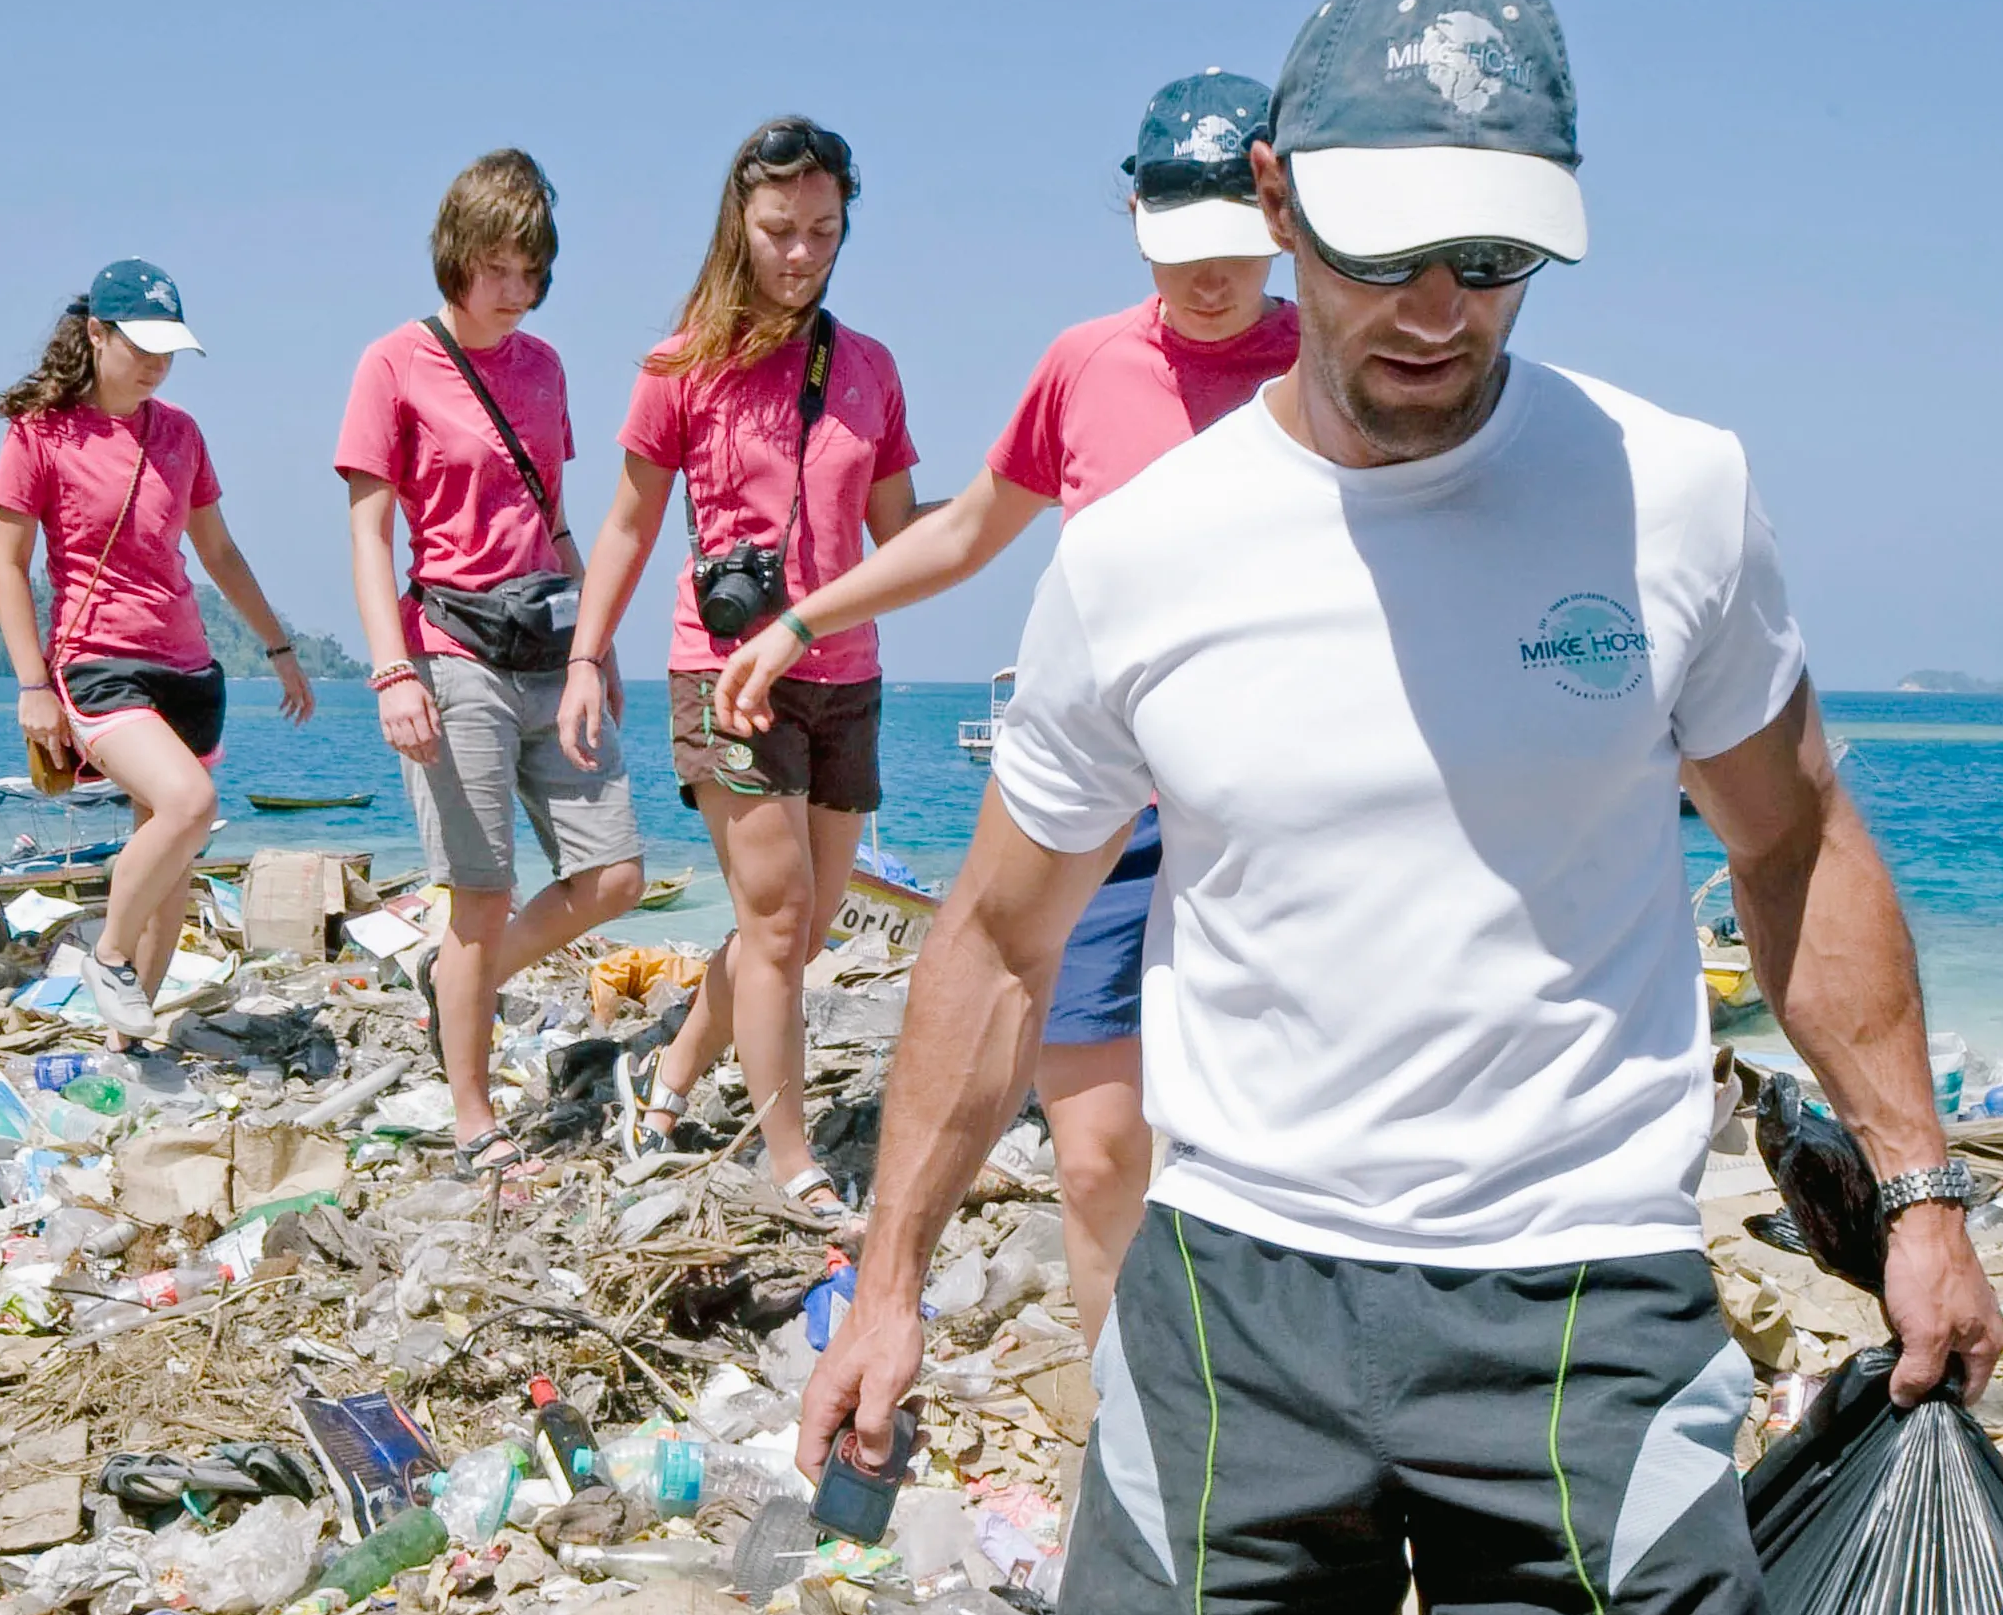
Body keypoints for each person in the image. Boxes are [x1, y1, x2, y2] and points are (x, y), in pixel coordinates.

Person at [794, 0, 2003, 1615]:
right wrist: (890, 1266)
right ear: (1275, 211)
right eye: (1385, 253)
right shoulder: (1147, 553)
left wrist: (1916, 1184)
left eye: (1490, 260)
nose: (1435, 311)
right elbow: (1004, 933)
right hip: (1244, 1297)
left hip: (1583, 1297)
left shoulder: (1669, 491)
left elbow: (1790, 841)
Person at [714, 71, 1296, 1336]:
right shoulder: (1085, 365)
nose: (1210, 283)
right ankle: (1127, 1462)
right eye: (1178, 250)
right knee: (1094, 1156)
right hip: (1111, 812)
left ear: (1285, 211)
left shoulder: (1335, 364)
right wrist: (803, 620)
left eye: (1236, 251)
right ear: (1134, 216)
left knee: (1280, 1159)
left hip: (1283, 822)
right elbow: (973, 528)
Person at [558, 118, 920, 1222]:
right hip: (722, 673)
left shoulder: (869, 370)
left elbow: (903, 538)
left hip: (843, 672)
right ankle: (791, 1155)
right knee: (773, 920)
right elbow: (625, 525)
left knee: (805, 927)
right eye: (778, 230)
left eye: (823, 228)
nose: (801, 252)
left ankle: (666, 1075)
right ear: (738, 224)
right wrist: (585, 656)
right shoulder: (682, 364)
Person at [340, 152, 645, 1176]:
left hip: (550, 645)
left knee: (615, 875)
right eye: (501, 268)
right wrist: (390, 672)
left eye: (533, 271)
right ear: (458, 257)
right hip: (452, 647)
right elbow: (370, 533)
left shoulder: (547, 367)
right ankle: (472, 1112)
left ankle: (452, 983)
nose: (517, 292)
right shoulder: (393, 362)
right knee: (479, 891)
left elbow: (552, 521)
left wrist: (595, 648)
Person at [0, 261, 319, 1034]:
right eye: (140, 345)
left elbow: (220, 553)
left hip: (188, 668)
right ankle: (104, 956)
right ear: (97, 334)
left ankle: (130, 1038)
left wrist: (279, 647)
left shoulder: (181, 434)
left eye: (168, 349)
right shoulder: (41, 431)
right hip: (98, 664)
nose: (156, 364)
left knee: (171, 855)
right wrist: (31, 684)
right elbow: (7, 565)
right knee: (189, 803)